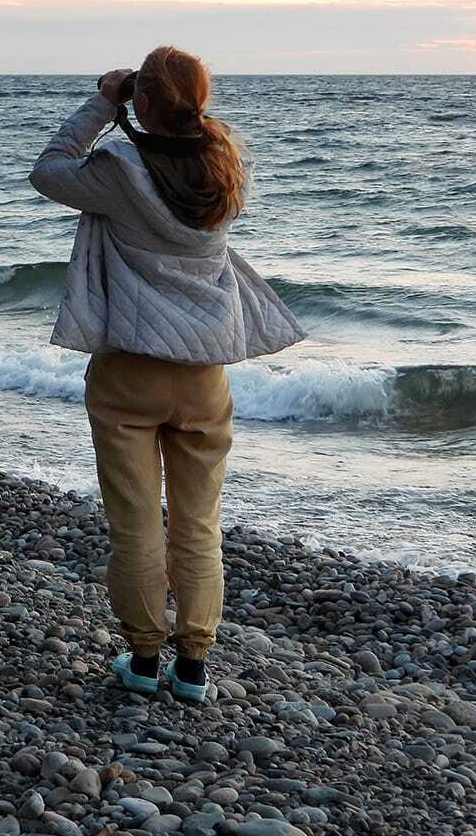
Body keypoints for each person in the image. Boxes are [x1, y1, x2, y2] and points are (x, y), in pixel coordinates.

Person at [28, 45, 304, 702]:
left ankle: (146, 659)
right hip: (205, 371)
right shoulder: (225, 166)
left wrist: (104, 102)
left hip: (130, 368)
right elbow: (191, 141)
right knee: (198, 522)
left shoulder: (119, 169)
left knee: (136, 522)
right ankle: (195, 667)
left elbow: (49, 170)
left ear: (142, 100)